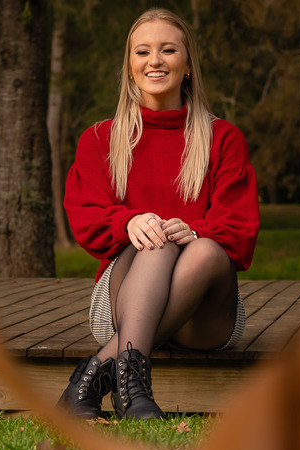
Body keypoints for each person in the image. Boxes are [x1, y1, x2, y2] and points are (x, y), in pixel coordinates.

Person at [59, 7, 259, 420]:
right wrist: (128, 221)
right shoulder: (100, 139)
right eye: (143, 52)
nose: (155, 61)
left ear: (187, 66)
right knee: (155, 239)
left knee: (201, 249)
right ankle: (133, 392)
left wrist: (193, 231)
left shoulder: (223, 138)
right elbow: (86, 217)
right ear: (130, 67)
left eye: (168, 50)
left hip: (205, 313)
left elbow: (239, 231)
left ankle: (92, 376)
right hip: (120, 303)